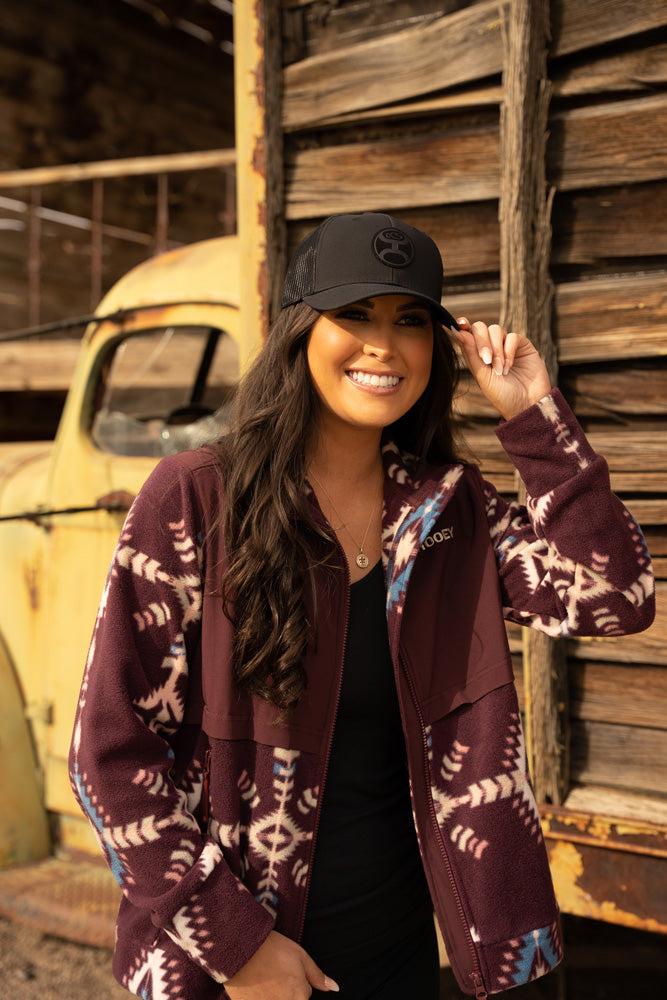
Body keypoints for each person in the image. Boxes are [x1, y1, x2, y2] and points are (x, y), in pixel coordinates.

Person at [69, 212, 655, 1000]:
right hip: (232, 972)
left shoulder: (449, 509)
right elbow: (108, 752)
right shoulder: (195, 498)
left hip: (399, 956)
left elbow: (616, 598)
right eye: (354, 315)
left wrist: (534, 417)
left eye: (410, 321)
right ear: (298, 332)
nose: (384, 345)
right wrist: (235, 946)